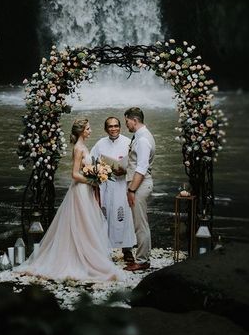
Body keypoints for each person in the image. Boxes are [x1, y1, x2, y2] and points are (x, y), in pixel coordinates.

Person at [15, 117, 121, 282]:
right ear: (81, 131)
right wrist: (93, 180)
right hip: (80, 190)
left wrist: (97, 174)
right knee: (82, 223)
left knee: (85, 224)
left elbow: (85, 170)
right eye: (87, 128)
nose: (90, 131)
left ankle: (83, 257)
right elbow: (74, 174)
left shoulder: (83, 146)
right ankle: (79, 259)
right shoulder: (79, 148)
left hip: (86, 190)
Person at [90, 117, 136, 263]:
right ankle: (104, 250)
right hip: (106, 185)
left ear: (120, 127)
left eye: (116, 126)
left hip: (122, 185)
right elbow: (91, 163)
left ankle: (127, 249)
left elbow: (136, 164)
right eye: (110, 126)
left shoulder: (128, 142)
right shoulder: (100, 144)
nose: (113, 129)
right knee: (105, 215)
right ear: (106, 129)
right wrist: (101, 170)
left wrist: (125, 171)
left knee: (125, 216)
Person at [124, 107, 155, 272]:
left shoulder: (143, 139)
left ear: (134, 120)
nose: (126, 125)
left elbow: (141, 168)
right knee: (141, 223)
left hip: (140, 186)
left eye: (127, 121)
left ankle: (142, 261)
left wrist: (131, 190)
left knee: (140, 225)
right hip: (140, 184)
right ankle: (143, 257)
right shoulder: (141, 136)